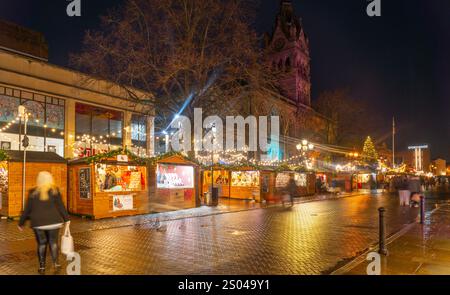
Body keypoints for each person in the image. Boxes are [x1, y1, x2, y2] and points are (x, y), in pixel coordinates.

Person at [18, 171, 70, 274]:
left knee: (41, 244)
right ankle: (56, 264)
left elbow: (27, 209)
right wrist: (67, 219)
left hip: (38, 223)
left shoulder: (33, 192)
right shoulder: (55, 191)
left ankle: (42, 267)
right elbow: (61, 206)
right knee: (53, 242)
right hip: (54, 221)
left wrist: (21, 223)